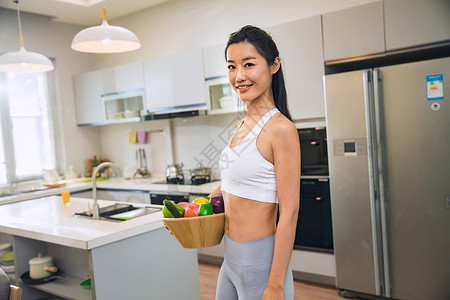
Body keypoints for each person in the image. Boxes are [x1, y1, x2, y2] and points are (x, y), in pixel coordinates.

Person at [209, 25, 301, 300]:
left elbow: (290, 212)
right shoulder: (242, 125)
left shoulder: (280, 129)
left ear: (274, 65)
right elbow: (230, 186)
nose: (239, 76)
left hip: (260, 265)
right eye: (231, 66)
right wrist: (191, 209)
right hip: (230, 259)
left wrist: (274, 286)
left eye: (249, 64)